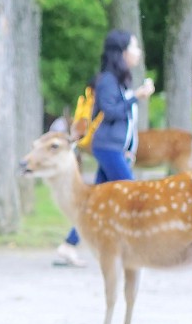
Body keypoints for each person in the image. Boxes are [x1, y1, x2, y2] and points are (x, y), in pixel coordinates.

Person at [57, 28, 153, 267]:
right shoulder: (108, 80)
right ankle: (139, 248)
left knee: (94, 202)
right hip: (106, 147)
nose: (138, 51)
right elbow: (110, 112)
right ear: (121, 52)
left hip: (113, 147)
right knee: (133, 194)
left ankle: (68, 245)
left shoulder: (118, 80)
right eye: (134, 47)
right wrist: (136, 97)